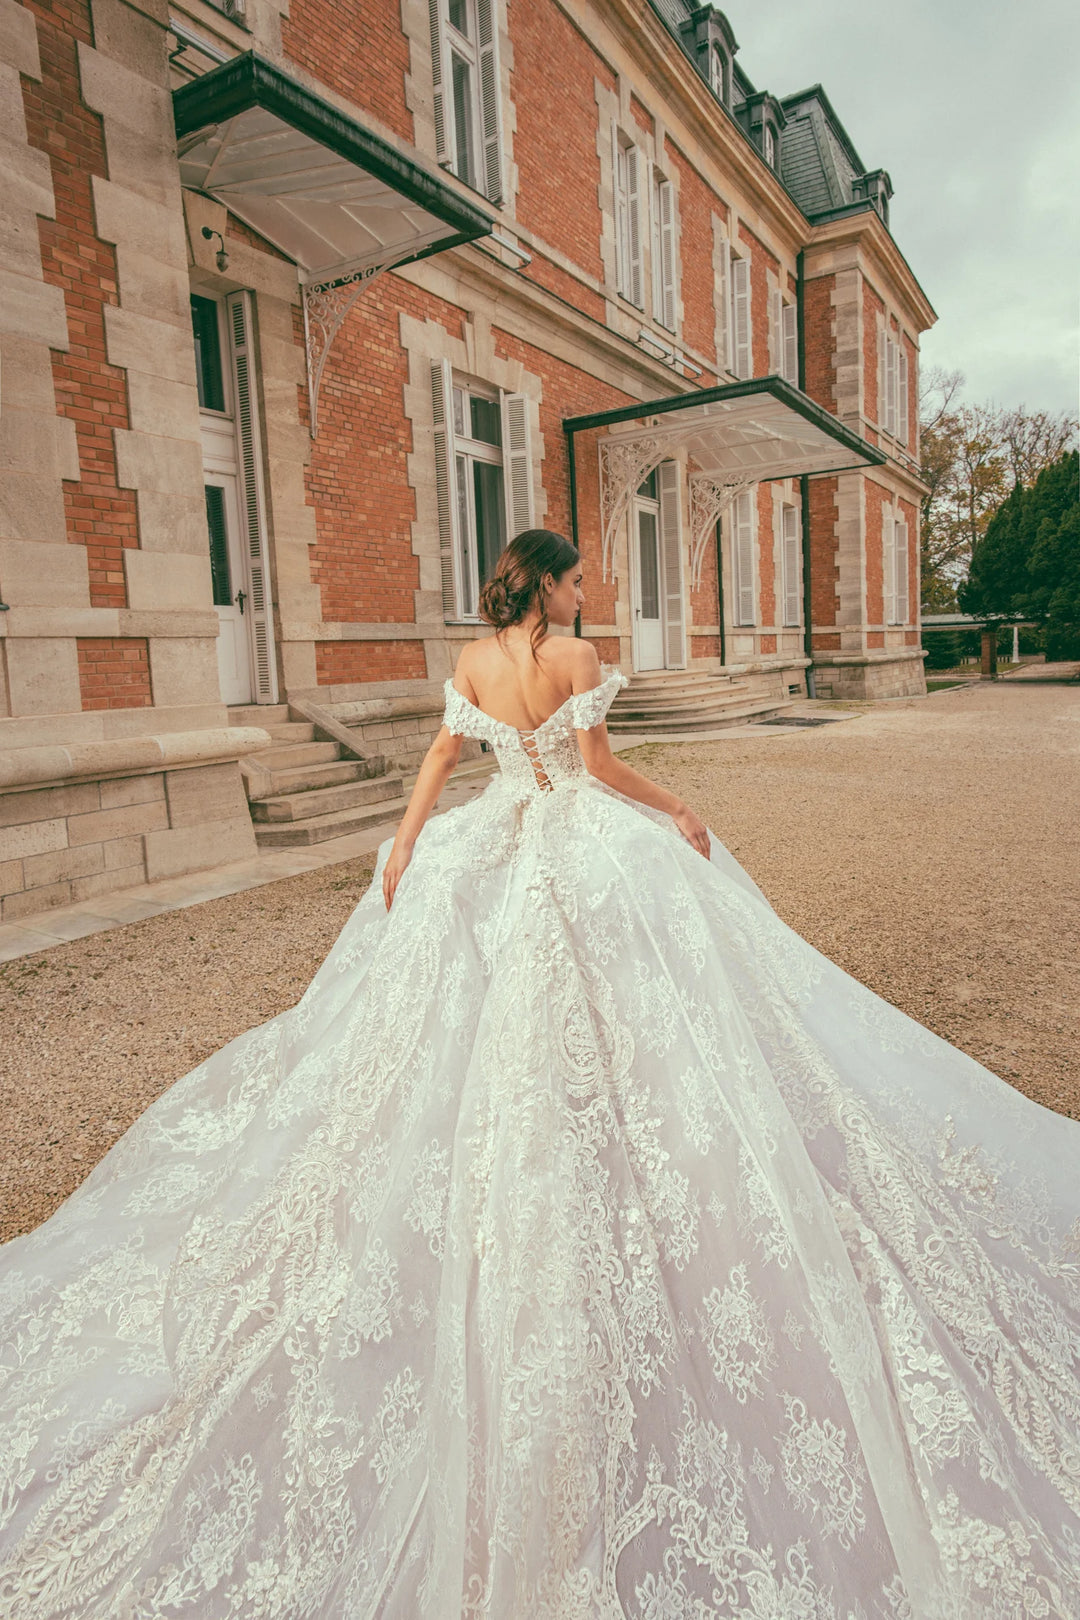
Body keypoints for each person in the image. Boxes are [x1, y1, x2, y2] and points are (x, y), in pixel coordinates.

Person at [0, 527, 1077, 1620]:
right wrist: (680, 810)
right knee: (628, 999)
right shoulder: (573, 658)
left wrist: (408, 846)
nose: (583, 591)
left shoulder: (471, 663)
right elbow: (597, 769)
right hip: (569, 836)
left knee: (480, 1019)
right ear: (551, 587)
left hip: (490, 834)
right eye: (575, 578)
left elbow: (436, 759)